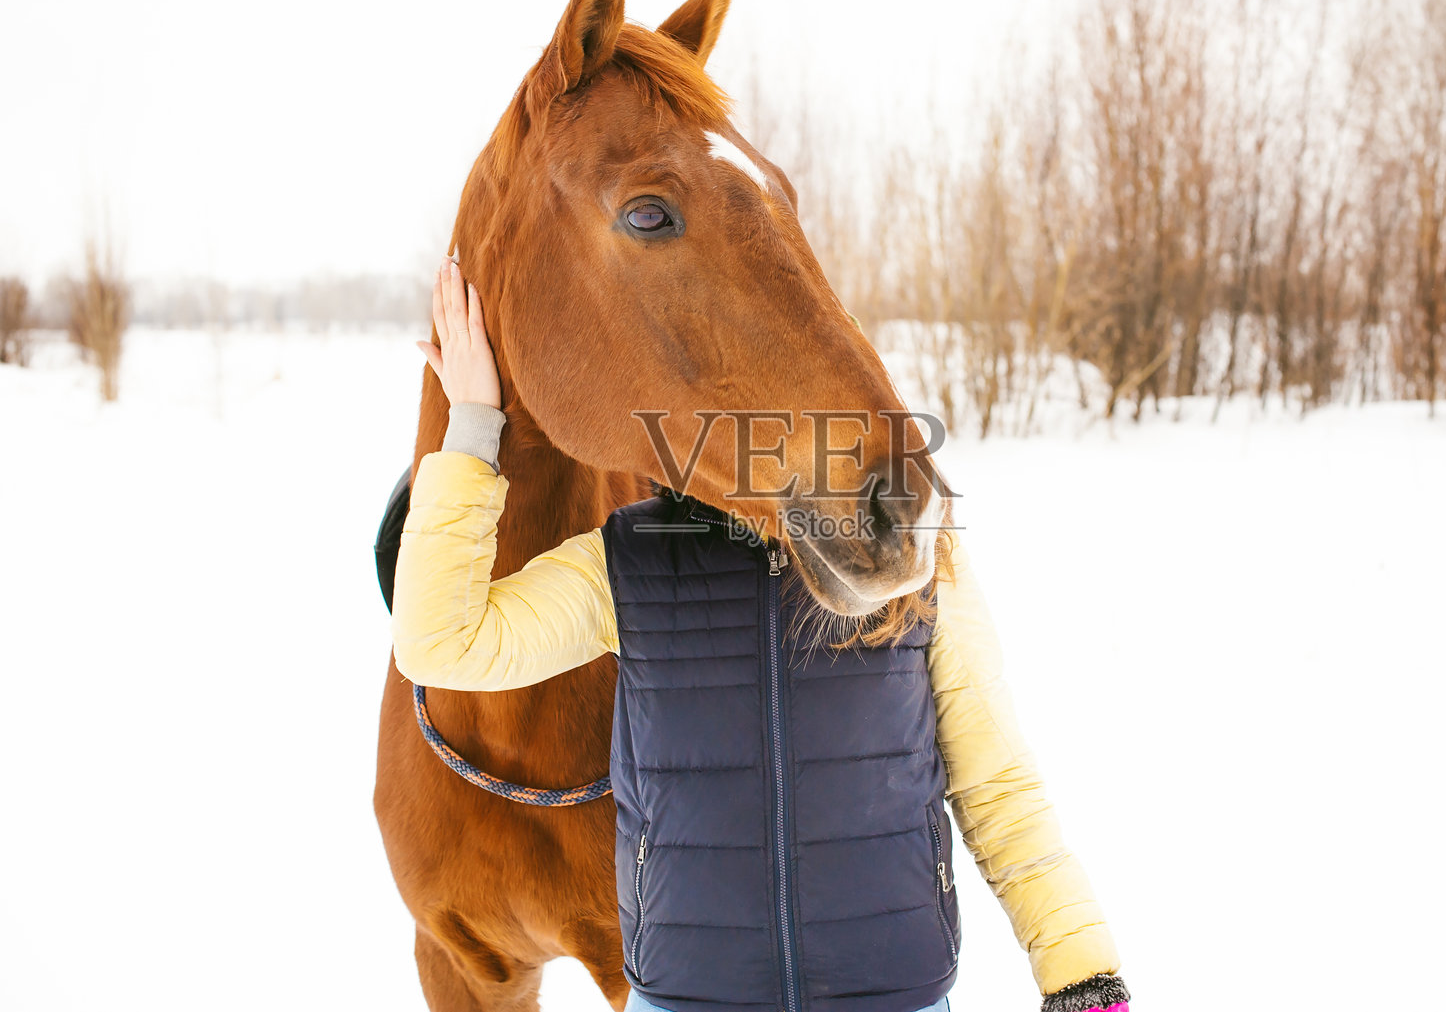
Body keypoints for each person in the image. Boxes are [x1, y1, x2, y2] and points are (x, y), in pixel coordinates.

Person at [392, 257, 1132, 1012]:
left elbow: (998, 786)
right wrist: (475, 424)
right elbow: (441, 641)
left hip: (891, 995)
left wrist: (1081, 974)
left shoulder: (915, 556)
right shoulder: (633, 563)